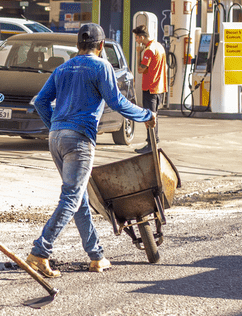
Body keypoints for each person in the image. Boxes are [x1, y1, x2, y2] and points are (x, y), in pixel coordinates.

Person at [25, 23, 157, 277]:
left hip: (56, 137)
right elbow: (117, 102)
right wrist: (146, 115)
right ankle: (40, 252)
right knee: (72, 198)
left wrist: (55, 123)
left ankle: (96, 256)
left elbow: (40, 101)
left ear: (77, 46)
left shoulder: (62, 68)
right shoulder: (101, 66)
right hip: (79, 139)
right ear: (101, 46)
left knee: (80, 199)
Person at [132, 24, 166, 153]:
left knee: (149, 118)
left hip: (150, 87)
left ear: (141, 37)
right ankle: (153, 142)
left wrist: (138, 53)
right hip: (159, 87)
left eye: (136, 37)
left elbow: (140, 69)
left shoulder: (148, 50)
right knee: (154, 116)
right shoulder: (159, 46)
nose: (136, 40)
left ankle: (151, 146)